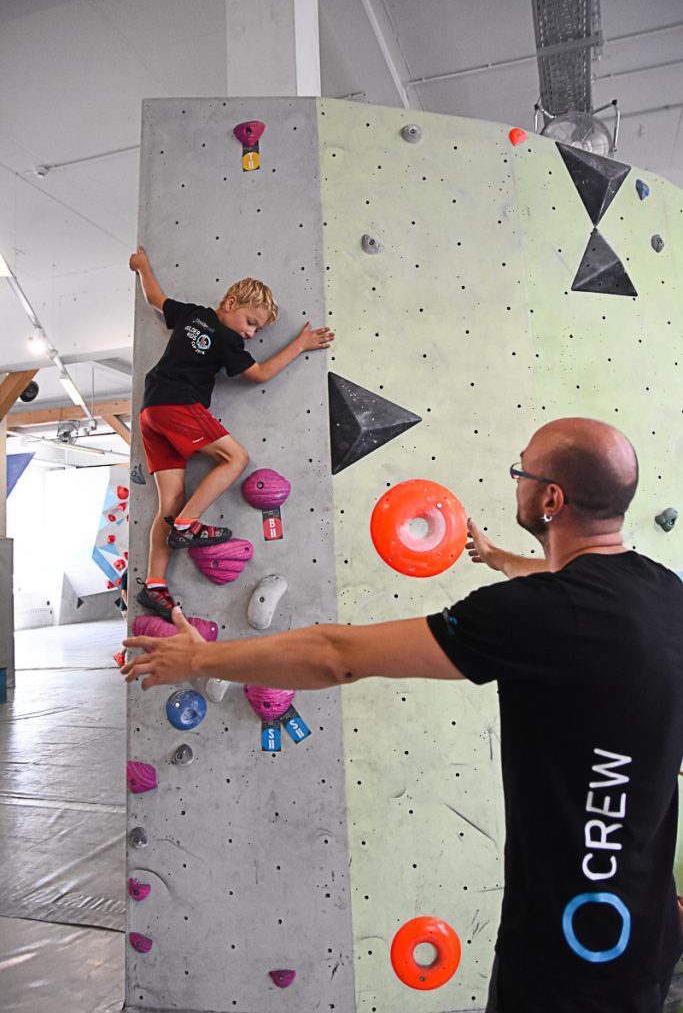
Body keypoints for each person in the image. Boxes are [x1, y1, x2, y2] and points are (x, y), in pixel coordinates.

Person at [121, 417, 683, 1012]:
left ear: (550, 499)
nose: (513, 480)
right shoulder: (664, 594)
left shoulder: (534, 615)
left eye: (521, 470)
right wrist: (498, 559)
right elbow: (568, 591)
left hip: (565, 965)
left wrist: (201, 658)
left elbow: (336, 655)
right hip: (648, 931)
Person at [129, 246, 333, 621]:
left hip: (150, 413)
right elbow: (259, 374)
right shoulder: (228, 340)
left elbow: (156, 299)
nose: (251, 333)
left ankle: (155, 585)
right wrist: (299, 345)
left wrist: (142, 268)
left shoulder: (191, 314)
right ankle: (189, 526)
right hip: (178, 405)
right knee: (235, 457)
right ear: (231, 301)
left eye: (256, 329)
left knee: (169, 505)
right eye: (251, 322)